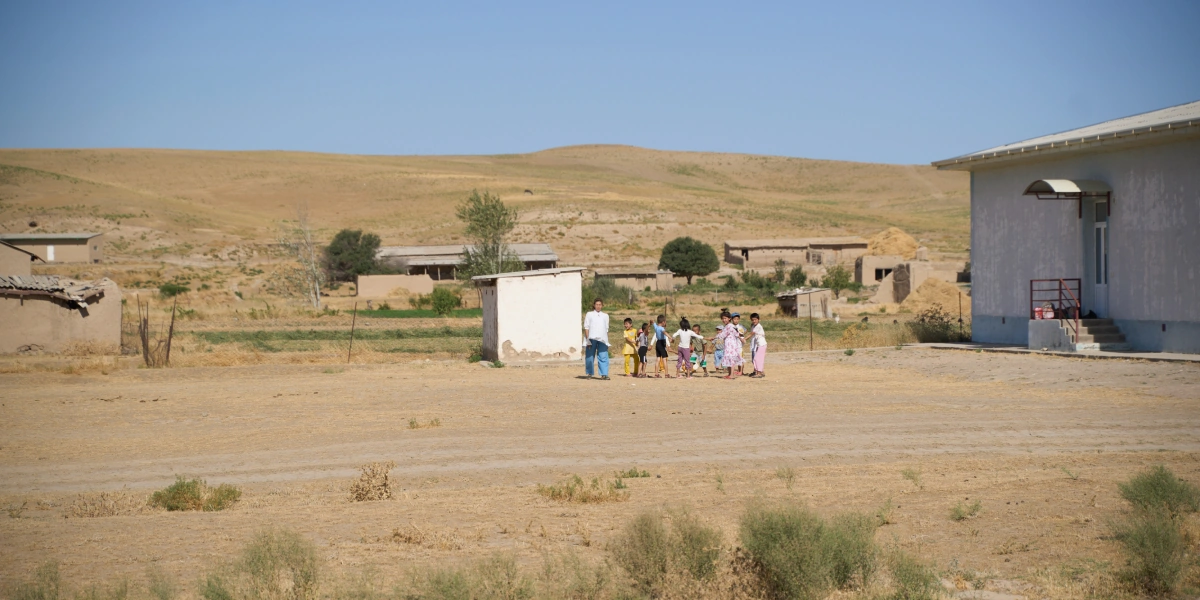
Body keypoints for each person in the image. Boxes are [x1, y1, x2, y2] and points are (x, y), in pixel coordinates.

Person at [582, 298, 610, 380]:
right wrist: (587, 340)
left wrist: (607, 341)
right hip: (591, 338)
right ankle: (589, 373)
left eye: (600, 305)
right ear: (594, 305)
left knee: (603, 356)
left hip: (602, 339)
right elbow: (586, 327)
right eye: (597, 304)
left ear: (602, 305)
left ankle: (604, 374)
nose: (598, 306)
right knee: (590, 356)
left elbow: (606, 329)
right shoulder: (589, 314)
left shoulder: (605, 316)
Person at [712, 311, 744, 379]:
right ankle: (729, 374)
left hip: (731, 345)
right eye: (723, 318)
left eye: (725, 318)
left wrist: (714, 337)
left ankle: (732, 375)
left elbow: (724, 335)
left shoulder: (729, 326)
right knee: (729, 359)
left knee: (731, 359)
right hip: (728, 344)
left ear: (729, 318)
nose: (724, 320)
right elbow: (736, 334)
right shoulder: (727, 326)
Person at [748, 312, 767, 378]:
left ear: (758, 319)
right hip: (759, 345)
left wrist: (744, 339)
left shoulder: (758, 326)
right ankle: (759, 372)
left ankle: (759, 373)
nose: (754, 321)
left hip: (762, 344)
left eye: (755, 319)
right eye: (752, 320)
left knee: (757, 359)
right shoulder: (754, 326)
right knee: (756, 359)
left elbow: (751, 333)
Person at [653, 314, 671, 378]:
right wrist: (670, 337)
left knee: (658, 359)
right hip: (662, 343)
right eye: (665, 322)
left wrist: (651, 322)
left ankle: (656, 374)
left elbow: (653, 323)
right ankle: (666, 374)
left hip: (657, 343)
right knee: (664, 359)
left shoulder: (656, 327)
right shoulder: (661, 328)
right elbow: (664, 333)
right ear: (663, 322)